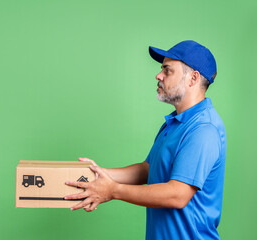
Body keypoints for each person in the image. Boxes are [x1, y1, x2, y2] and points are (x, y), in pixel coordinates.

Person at [65, 40, 226, 240]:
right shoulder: (174, 123)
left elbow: (177, 194)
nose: (158, 75)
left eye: (167, 70)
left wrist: (113, 190)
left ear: (193, 78)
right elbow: (148, 169)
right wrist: (101, 174)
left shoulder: (203, 129)